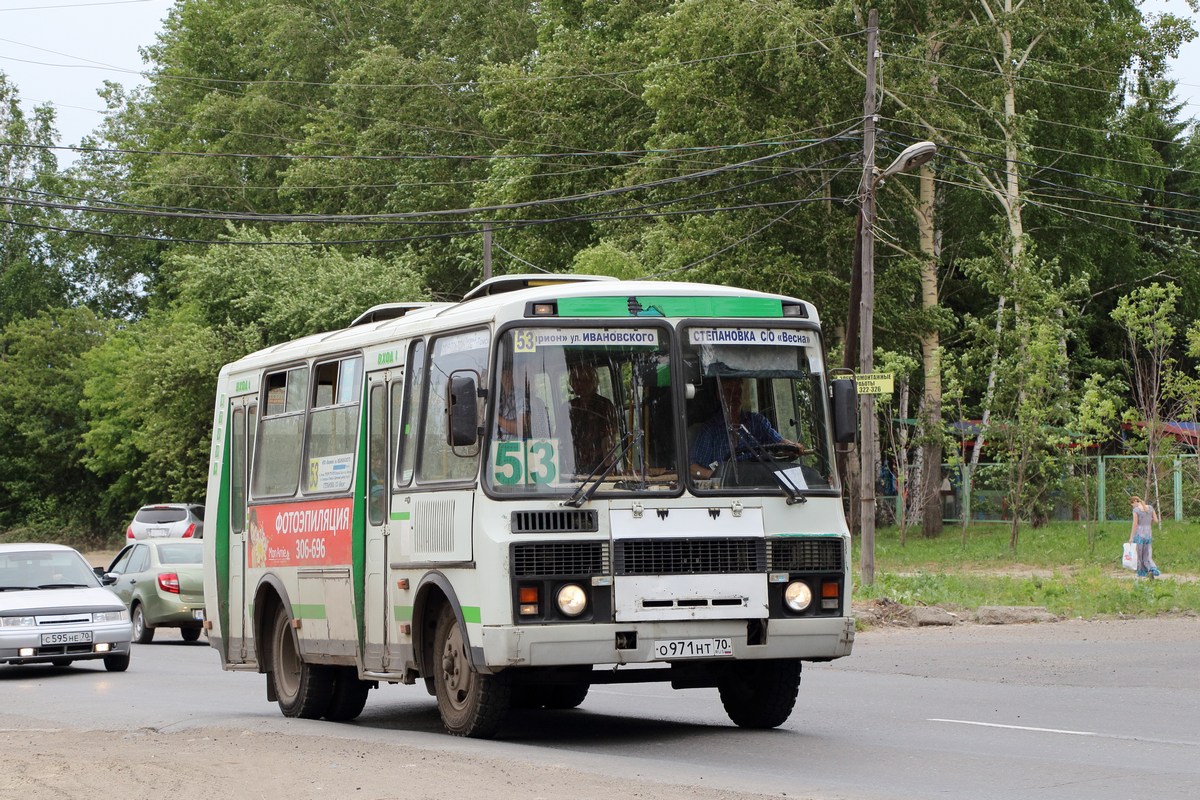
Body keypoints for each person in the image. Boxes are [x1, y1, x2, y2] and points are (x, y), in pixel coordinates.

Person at [688, 378, 803, 480]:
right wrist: (719, 477)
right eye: (728, 392)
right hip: (726, 492)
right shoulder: (710, 430)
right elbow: (693, 468)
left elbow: (779, 443)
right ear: (719, 395)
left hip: (760, 486)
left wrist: (792, 446)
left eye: (738, 392)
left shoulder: (757, 422)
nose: (734, 398)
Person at [568, 362, 618, 474]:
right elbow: (562, 439)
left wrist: (609, 467)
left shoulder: (604, 405)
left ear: (593, 382)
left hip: (600, 466)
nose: (580, 385)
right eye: (576, 381)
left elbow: (609, 439)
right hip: (573, 466)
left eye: (584, 380)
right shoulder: (568, 407)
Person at [1129, 495, 1162, 578]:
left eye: (1132, 504)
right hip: (1148, 533)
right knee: (1147, 553)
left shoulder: (1136, 510)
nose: (1132, 506)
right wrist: (1148, 519)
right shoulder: (1150, 508)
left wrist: (1131, 537)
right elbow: (1156, 521)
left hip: (1139, 534)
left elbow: (1135, 524)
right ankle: (1151, 568)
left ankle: (1142, 572)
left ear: (1135, 502)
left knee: (1139, 554)